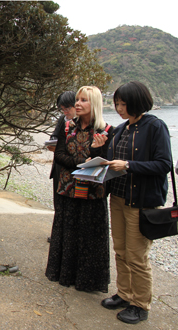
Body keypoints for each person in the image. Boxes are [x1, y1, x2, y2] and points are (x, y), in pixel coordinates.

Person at [100, 81, 171, 324]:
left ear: (137, 103)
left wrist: (129, 165)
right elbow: (111, 162)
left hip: (140, 202)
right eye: (117, 104)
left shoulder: (155, 126)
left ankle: (141, 304)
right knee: (120, 250)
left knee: (137, 255)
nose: (119, 108)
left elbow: (164, 164)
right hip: (118, 198)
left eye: (123, 104)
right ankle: (124, 293)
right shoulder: (121, 129)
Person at [45, 86, 113, 293]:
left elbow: (105, 162)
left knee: (90, 236)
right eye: (77, 99)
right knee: (68, 231)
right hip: (68, 189)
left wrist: (97, 150)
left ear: (95, 104)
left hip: (93, 192)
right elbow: (58, 154)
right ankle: (64, 274)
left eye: (84, 100)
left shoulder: (107, 131)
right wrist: (82, 162)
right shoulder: (68, 127)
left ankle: (88, 281)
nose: (78, 103)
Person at [47, 91, 76, 242]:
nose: (65, 112)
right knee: (58, 203)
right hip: (59, 167)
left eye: (68, 108)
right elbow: (55, 135)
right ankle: (58, 234)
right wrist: (52, 142)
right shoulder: (62, 119)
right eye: (62, 109)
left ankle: (69, 236)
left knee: (71, 205)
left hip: (72, 169)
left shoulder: (81, 123)